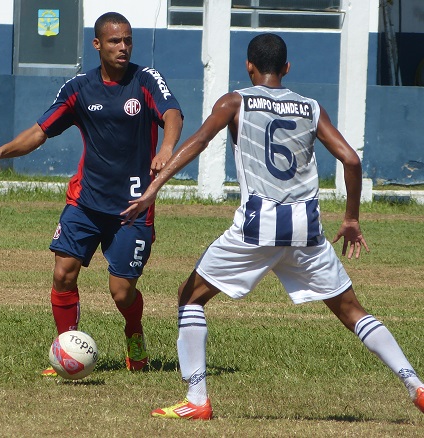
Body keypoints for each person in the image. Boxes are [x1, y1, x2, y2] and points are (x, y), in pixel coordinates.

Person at [121, 33, 424, 419]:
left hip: (257, 227)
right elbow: (350, 159)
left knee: (190, 296)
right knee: (352, 311)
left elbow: (197, 142)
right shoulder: (311, 107)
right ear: (287, 68)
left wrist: (153, 189)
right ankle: (415, 384)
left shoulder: (235, 101)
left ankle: (197, 400)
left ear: (249, 67)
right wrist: (350, 218)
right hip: (306, 230)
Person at [0, 12, 183, 375]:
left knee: (121, 292)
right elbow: (41, 131)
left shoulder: (146, 80)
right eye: (116, 41)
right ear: (97, 44)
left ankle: (134, 333)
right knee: (63, 273)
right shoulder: (78, 88)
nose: (124, 47)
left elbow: (172, 114)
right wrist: (2, 151)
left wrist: (166, 148)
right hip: (84, 202)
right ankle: (66, 351)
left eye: (128, 40)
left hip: (132, 208)